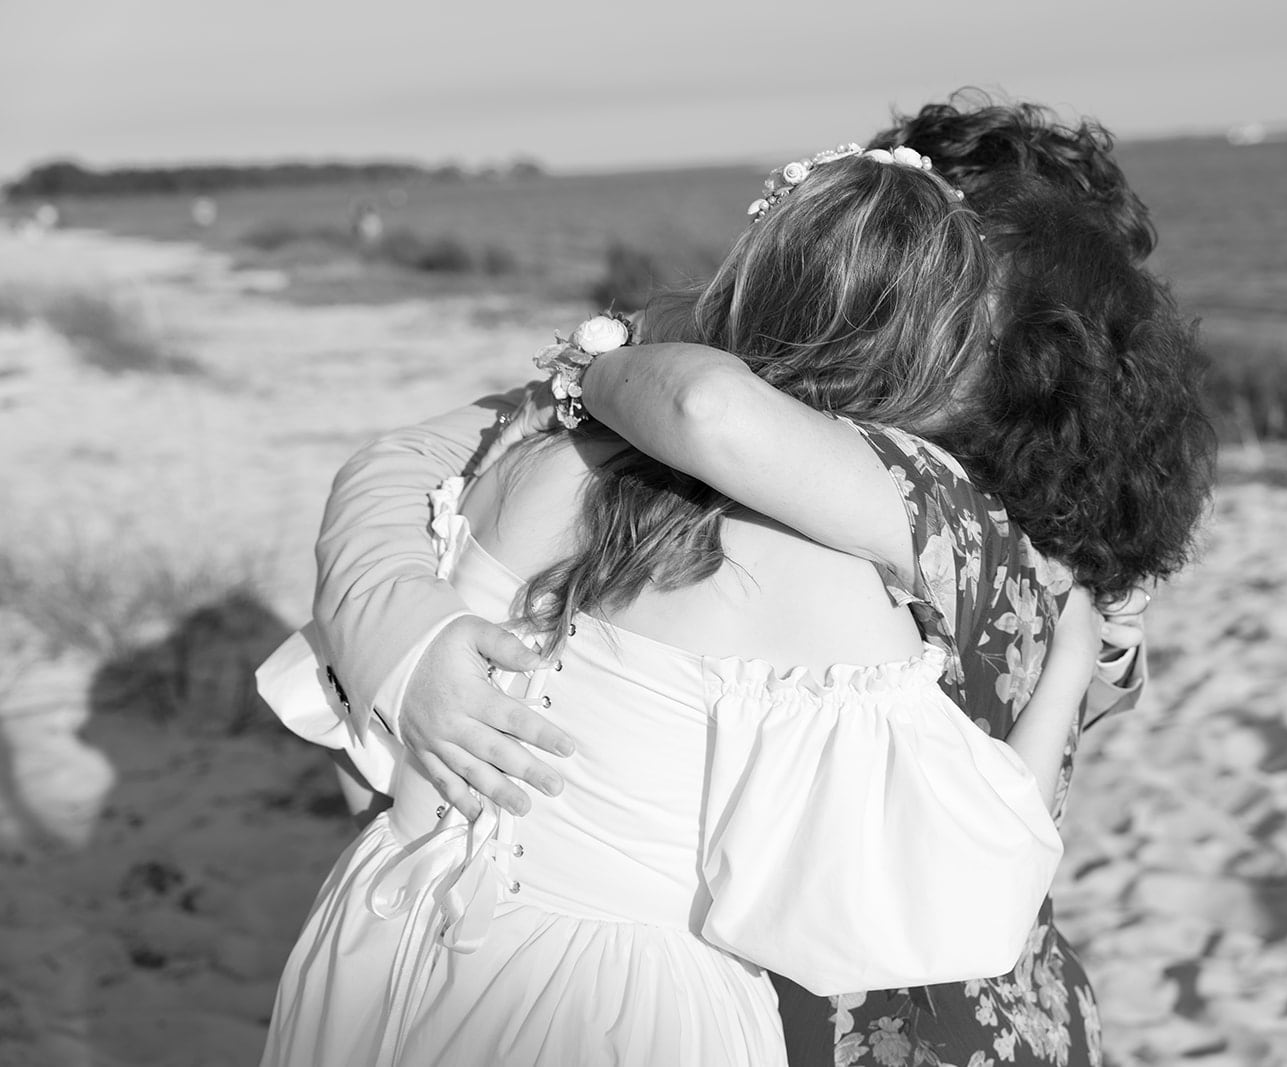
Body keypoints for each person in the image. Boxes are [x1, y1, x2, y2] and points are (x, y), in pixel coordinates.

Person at [299, 97, 1214, 1066]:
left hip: (398, 947)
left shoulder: (588, 437)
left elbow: (685, 410)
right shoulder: (956, 536)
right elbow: (972, 867)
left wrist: (602, 360)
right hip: (758, 1003)